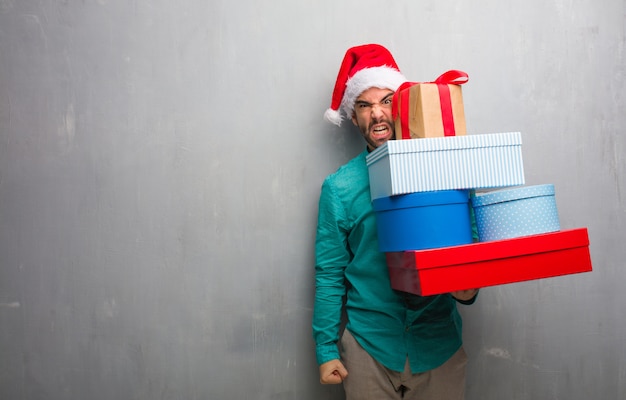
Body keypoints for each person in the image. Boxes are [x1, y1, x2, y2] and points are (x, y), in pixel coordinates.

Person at [312, 44, 479, 400]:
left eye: (386, 101)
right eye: (364, 105)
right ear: (353, 117)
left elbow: (472, 238)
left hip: (439, 346)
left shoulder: (445, 168)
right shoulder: (339, 188)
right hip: (369, 348)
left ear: (402, 107)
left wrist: (469, 285)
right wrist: (326, 349)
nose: (377, 114)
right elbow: (329, 273)